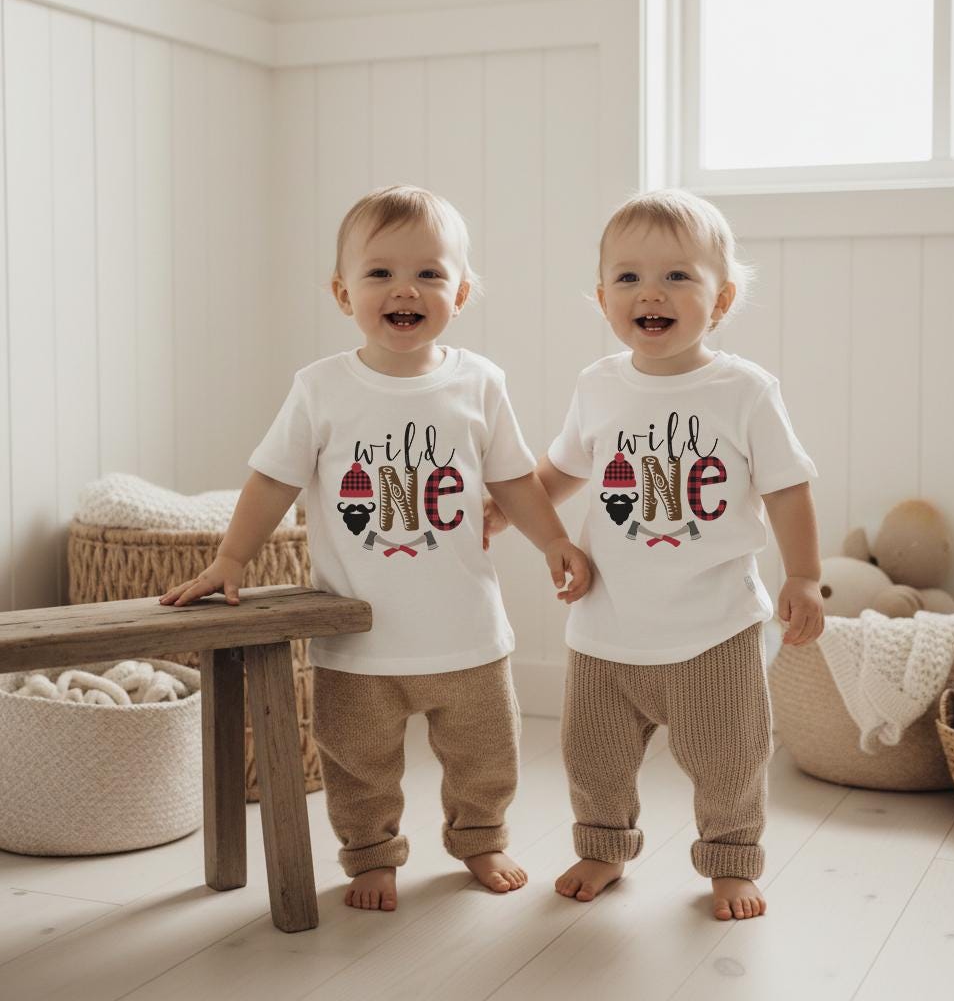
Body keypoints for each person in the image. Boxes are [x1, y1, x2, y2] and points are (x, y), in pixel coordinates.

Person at [161, 185, 591, 913]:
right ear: (342, 291)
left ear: (461, 289)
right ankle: (370, 854)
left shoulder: (479, 384)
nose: (406, 289)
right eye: (380, 273)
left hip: (466, 632)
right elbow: (272, 479)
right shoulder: (322, 389)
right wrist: (232, 558)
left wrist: (552, 538)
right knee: (357, 761)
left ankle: (481, 837)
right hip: (357, 638)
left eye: (429, 273)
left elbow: (513, 477)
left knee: (486, 753)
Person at [485, 188, 823, 920]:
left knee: (729, 757)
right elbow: (564, 467)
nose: (651, 294)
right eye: (629, 277)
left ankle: (731, 860)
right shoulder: (598, 385)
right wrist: (512, 512)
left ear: (722, 298)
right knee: (592, 752)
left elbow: (789, 488)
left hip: (714, 623)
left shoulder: (743, 390)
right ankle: (603, 844)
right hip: (608, 623)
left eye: (678, 277)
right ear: (603, 295)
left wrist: (804, 575)